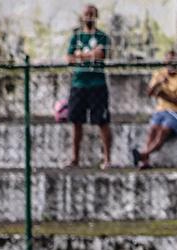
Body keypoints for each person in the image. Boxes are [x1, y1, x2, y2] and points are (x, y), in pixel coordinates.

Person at [65, 4, 112, 169]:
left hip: (97, 84)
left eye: (92, 14)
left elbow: (101, 55)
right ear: (82, 16)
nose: (89, 17)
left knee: (102, 121)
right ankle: (75, 158)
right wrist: (90, 55)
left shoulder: (102, 36)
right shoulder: (76, 36)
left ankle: (107, 159)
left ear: (96, 16)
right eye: (86, 14)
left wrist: (81, 55)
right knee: (76, 121)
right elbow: (69, 58)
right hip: (79, 83)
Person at [132, 50, 177, 169]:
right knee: (153, 128)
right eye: (169, 62)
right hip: (161, 110)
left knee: (164, 130)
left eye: (174, 62)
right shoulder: (159, 74)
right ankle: (145, 162)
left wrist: (163, 95)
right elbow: (149, 92)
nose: (171, 65)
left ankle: (143, 154)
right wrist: (158, 83)